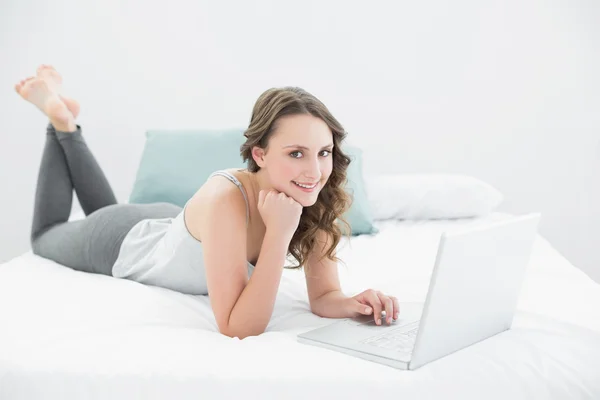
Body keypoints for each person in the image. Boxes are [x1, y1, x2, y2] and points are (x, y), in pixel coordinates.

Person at [15, 65, 399, 339]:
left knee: (103, 209)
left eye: (324, 152)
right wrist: (279, 235)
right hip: (121, 241)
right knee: (45, 235)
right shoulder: (226, 199)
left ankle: (66, 124)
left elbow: (324, 296)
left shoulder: (307, 196)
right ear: (260, 154)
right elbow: (237, 327)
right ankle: (60, 123)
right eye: (296, 153)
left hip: (170, 224)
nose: (315, 171)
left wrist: (354, 304)